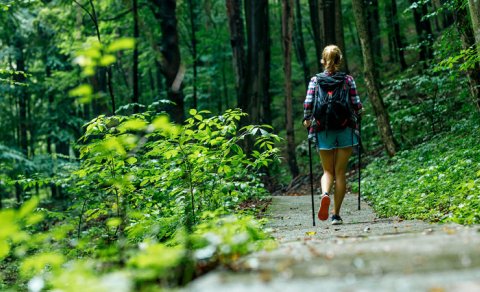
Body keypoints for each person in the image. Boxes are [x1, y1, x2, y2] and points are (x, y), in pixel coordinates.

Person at [303, 45, 362, 225]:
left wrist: (307, 119)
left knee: (327, 171)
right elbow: (356, 103)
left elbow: (308, 103)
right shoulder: (348, 79)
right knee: (340, 172)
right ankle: (336, 215)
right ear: (339, 60)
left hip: (323, 128)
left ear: (323, 60)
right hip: (345, 128)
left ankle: (325, 194)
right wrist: (360, 111)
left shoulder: (315, 80)